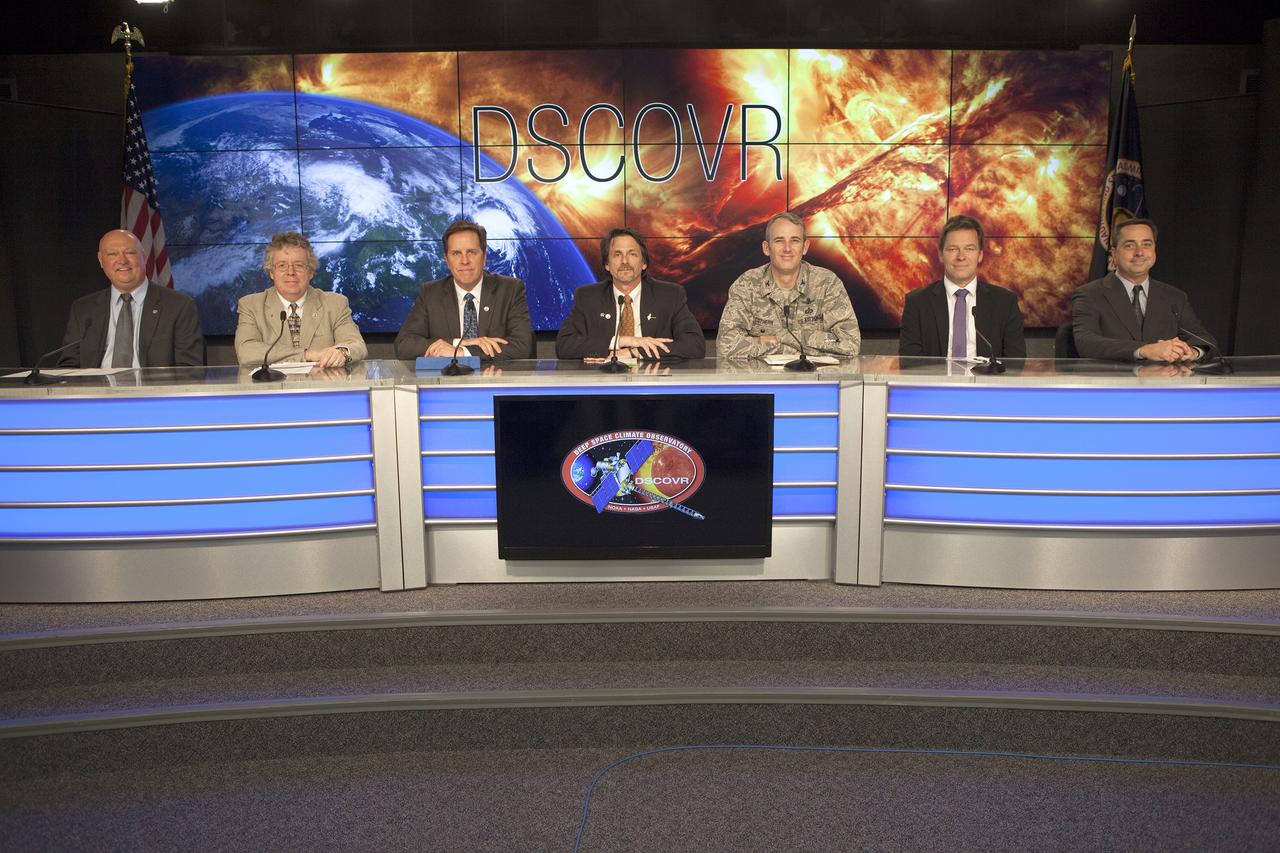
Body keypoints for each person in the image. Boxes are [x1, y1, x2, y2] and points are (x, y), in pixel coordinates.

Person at [716, 212, 861, 359]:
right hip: (763, 380)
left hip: (813, 380)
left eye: (795, 240)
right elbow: (726, 346)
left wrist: (777, 339)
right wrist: (794, 350)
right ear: (766, 248)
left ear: (805, 247)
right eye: (779, 240)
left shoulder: (827, 283)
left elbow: (850, 343)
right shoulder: (746, 285)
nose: (787, 248)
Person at [1071, 218, 1217, 362]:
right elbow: (1086, 342)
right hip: (1113, 382)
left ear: (1154, 250)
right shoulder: (1090, 294)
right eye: (1129, 245)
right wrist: (1144, 350)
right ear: (1114, 253)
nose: (1139, 252)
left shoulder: (1174, 297)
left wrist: (1192, 352)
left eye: (1147, 244)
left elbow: (1204, 339)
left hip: (1163, 382)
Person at [58, 229, 204, 368]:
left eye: (129, 252)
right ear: (101, 261)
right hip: (98, 391)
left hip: (153, 392)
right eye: (112, 254)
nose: (122, 260)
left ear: (144, 257)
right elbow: (69, 366)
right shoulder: (83, 309)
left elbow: (190, 368)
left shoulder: (179, 306)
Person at [555, 228, 705, 360]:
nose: (625, 261)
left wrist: (635, 352)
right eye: (617, 255)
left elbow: (695, 344)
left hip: (655, 385)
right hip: (603, 383)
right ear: (607, 264)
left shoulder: (669, 295)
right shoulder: (588, 297)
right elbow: (564, 345)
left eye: (632, 254)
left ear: (644, 263)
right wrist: (622, 341)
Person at [394, 219, 534, 360]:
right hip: (447, 380)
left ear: (484, 257)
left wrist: (462, 353)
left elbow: (523, 347)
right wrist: (460, 343)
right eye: (456, 253)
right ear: (447, 260)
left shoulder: (509, 290)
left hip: (494, 380)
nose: (464, 260)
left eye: (472, 252)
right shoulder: (430, 293)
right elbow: (404, 345)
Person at [898, 215, 1026, 359]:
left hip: (987, 381)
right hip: (935, 381)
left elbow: (1016, 364)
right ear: (941, 255)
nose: (961, 256)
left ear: (980, 255)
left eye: (969, 249)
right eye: (953, 249)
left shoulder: (1005, 302)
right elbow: (909, 363)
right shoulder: (917, 302)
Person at [234, 231, 367, 368]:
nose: (290, 272)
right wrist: (307, 355)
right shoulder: (251, 306)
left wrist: (342, 353)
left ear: (310, 272)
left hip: (322, 387)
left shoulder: (335, 304)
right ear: (271, 273)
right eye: (282, 265)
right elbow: (246, 352)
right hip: (272, 388)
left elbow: (357, 345)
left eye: (298, 265)